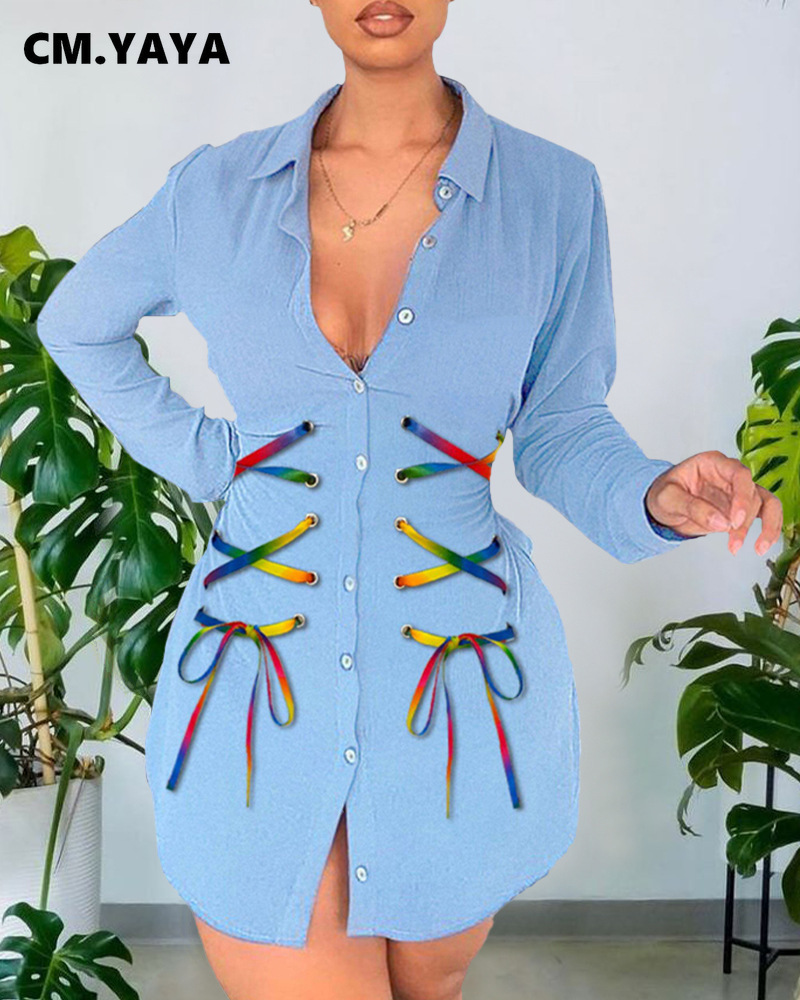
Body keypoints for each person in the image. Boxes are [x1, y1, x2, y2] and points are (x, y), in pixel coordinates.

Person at [35, 1, 783, 998]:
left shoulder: (551, 195)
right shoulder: (213, 192)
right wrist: (213, 459)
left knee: (427, 983)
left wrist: (652, 492)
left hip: (458, 699)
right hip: (259, 693)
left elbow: (561, 426)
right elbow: (77, 324)